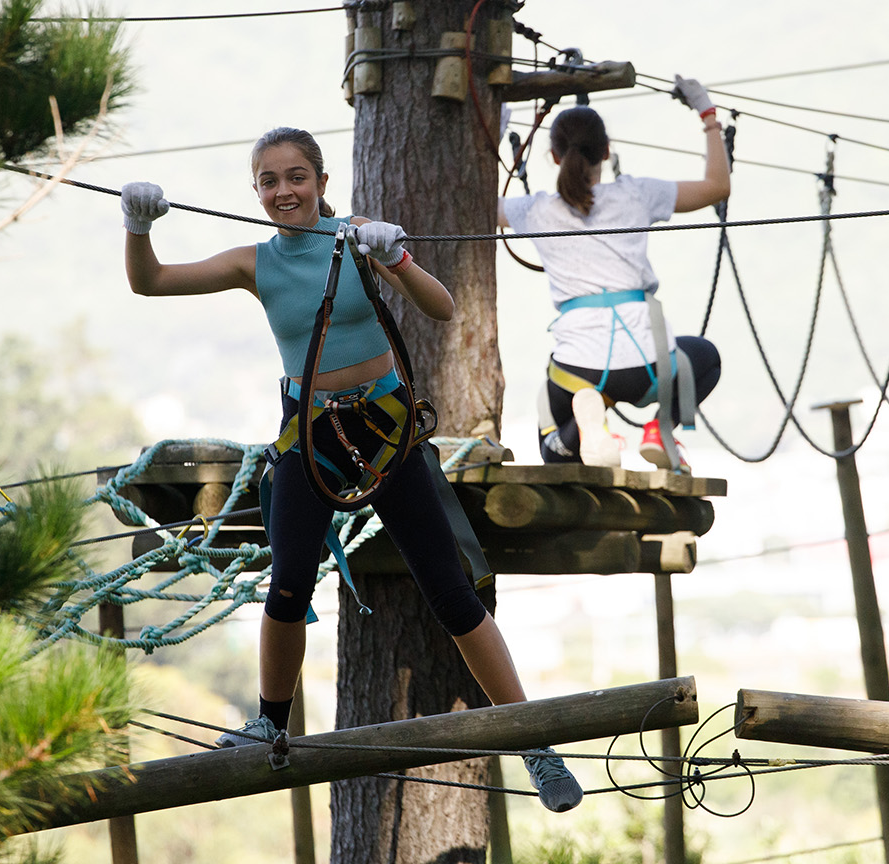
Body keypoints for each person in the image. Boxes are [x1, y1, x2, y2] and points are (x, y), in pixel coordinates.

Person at [119, 126, 582, 812]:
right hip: (310, 436)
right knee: (287, 586)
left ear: (322, 181)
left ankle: (534, 742)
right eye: (270, 181)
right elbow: (150, 282)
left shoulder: (359, 238)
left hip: (386, 431)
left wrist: (393, 256)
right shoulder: (255, 262)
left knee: (452, 594)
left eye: (297, 176)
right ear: (256, 192)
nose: (284, 191)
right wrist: (137, 226)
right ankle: (268, 724)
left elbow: (442, 307)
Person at [497, 75, 729, 473]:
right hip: (650, 361)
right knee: (706, 356)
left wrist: (497, 133)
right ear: (606, 151)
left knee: (552, 450)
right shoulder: (636, 194)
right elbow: (716, 186)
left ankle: (589, 422)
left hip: (579, 365)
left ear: (553, 157)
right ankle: (660, 430)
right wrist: (707, 115)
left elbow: (473, 204)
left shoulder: (534, 211)